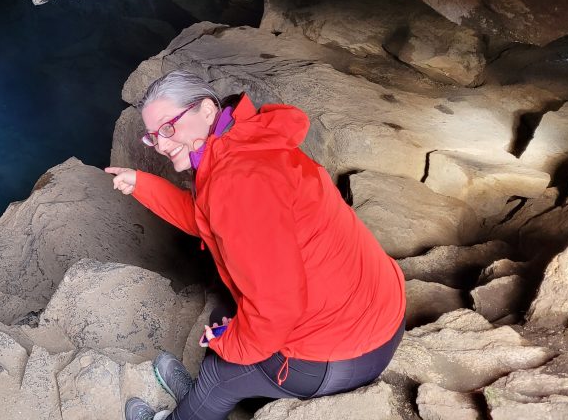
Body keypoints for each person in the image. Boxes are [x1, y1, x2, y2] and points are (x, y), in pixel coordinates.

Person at [105, 70, 406, 420]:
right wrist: (142, 184)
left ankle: (193, 407)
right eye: (153, 136)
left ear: (205, 110)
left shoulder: (237, 182)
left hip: (345, 351)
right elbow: (207, 217)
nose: (162, 144)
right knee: (224, 318)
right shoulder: (243, 140)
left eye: (169, 128)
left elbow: (278, 308)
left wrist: (225, 344)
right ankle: (201, 399)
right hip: (377, 311)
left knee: (220, 372)